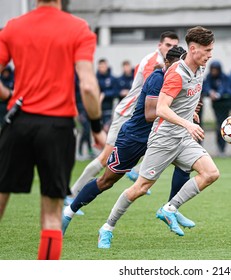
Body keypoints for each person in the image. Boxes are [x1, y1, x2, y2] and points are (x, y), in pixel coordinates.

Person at [0, 0, 105, 260]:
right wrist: (95, 127)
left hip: (19, 123)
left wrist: (9, 95)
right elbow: (89, 87)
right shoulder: (78, 28)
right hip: (58, 128)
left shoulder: (14, 27)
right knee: (51, 216)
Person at [97, 26, 219, 249]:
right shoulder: (177, 73)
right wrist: (187, 123)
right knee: (140, 188)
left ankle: (169, 209)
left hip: (182, 138)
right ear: (193, 49)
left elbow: (184, 99)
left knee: (211, 173)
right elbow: (161, 109)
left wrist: (190, 111)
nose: (211, 54)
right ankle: (107, 227)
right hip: (163, 138)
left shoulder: (199, 69)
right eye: (207, 50)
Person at [61, 46, 195, 236]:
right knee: (106, 181)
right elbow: (150, 114)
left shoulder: (180, 79)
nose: (180, 68)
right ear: (167, 63)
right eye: (177, 64)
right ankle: (68, 213)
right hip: (134, 138)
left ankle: (171, 208)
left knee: (186, 165)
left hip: (160, 137)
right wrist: (179, 116)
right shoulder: (158, 79)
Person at [65, 31, 179, 204]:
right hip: (128, 113)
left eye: (174, 46)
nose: (171, 48)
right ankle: (72, 194)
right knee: (105, 158)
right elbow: (153, 92)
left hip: (140, 116)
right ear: (160, 45)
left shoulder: (167, 63)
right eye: (168, 45)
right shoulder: (154, 63)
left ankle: (137, 172)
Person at [202, 60, 230, 157]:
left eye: (215, 69)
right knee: (219, 126)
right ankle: (219, 148)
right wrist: (211, 92)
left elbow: (225, 87)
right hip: (216, 105)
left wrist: (218, 94)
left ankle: (223, 148)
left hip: (225, 104)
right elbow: (206, 86)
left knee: (224, 127)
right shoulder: (209, 77)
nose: (214, 71)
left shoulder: (224, 77)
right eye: (212, 69)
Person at [75, 74, 95, 161]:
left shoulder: (88, 83)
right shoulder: (76, 86)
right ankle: (79, 152)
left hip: (88, 110)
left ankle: (90, 150)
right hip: (80, 111)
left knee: (87, 130)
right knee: (86, 129)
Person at [96, 58, 118, 133]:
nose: (102, 68)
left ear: (106, 66)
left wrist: (104, 94)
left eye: (103, 66)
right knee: (98, 129)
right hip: (97, 108)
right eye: (100, 66)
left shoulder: (112, 79)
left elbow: (116, 92)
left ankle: (107, 144)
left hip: (108, 107)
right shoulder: (95, 78)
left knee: (107, 128)